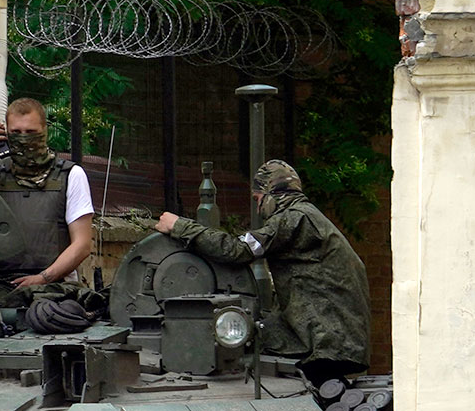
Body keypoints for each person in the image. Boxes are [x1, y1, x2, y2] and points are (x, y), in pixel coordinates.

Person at [152, 159, 370, 383]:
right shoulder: (308, 216)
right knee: (253, 330)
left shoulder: (294, 218)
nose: (258, 208)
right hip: (333, 337)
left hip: (325, 340)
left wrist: (179, 226)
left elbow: (238, 250)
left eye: (258, 199)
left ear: (272, 193)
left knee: (245, 341)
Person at [0, 97, 95, 289]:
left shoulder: (71, 175)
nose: (23, 138)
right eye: (16, 132)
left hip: (55, 288)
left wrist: (42, 278)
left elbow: (82, 245)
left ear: (44, 131)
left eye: (31, 132)